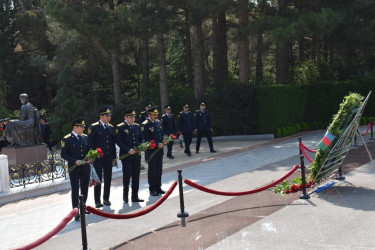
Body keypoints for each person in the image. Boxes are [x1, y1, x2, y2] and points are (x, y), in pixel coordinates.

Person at [61, 118, 91, 221]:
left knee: (84, 188)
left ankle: (83, 207)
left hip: (85, 167)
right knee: (75, 189)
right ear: (75, 127)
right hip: (74, 168)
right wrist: (75, 161)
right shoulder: (67, 139)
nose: (83, 128)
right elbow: (64, 154)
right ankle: (75, 210)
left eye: (83, 127)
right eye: (81, 127)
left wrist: (89, 158)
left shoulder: (85, 137)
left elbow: (88, 150)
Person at [87, 107, 116, 208]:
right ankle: (97, 201)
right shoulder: (93, 127)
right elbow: (90, 143)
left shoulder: (111, 127)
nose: (109, 118)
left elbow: (112, 143)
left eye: (109, 116)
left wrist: (114, 157)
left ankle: (106, 198)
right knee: (98, 179)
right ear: (101, 116)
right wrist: (92, 155)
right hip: (98, 158)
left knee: (108, 178)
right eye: (106, 116)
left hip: (108, 157)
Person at [115, 109, 144, 203]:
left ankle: (135, 196)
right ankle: (125, 196)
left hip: (136, 155)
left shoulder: (137, 126)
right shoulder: (120, 127)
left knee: (136, 176)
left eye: (134, 117)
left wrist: (141, 146)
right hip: (126, 156)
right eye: (131, 117)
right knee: (127, 175)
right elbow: (119, 141)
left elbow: (140, 139)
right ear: (125, 117)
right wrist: (128, 149)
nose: (133, 119)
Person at [141, 106, 165, 196]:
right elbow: (145, 139)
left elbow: (161, 134)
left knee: (159, 170)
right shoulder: (145, 124)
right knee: (152, 171)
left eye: (156, 114)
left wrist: (164, 140)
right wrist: (156, 143)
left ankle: (158, 187)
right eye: (154, 115)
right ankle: (152, 189)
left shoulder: (158, 122)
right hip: (151, 152)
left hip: (159, 150)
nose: (155, 116)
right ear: (149, 115)